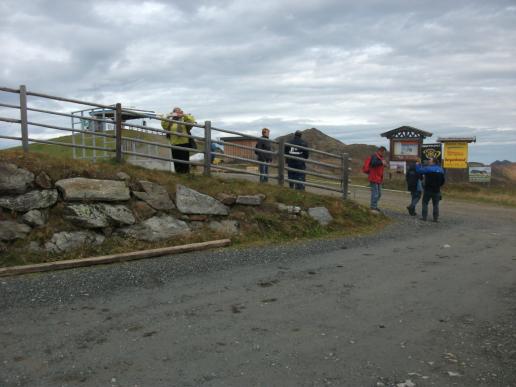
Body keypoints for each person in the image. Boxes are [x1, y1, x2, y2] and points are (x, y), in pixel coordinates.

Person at [161, 107, 196, 174]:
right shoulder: (170, 122)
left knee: (185, 162)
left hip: (184, 143)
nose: (177, 113)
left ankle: (186, 175)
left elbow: (192, 121)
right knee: (177, 162)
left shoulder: (184, 120)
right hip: (174, 144)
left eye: (179, 111)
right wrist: (169, 115)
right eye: (175, 112)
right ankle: (178, 175)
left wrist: (184, 115)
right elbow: (163, 123)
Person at [416, 158, 445, 222]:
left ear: (433, 162)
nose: (429, 162)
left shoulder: (428, 168)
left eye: (430, 161)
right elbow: (443, 181)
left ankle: (424, 217)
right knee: (436, 205)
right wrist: (438, 185)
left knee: (425, 203)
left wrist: (418, 164)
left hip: (428, 189)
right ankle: (435, 218)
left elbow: (419, 171)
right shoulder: (441, 169)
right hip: (437, 190)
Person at [367, 146, 387, 212]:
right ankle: (373, 207)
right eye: (383, 152)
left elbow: (378, 166)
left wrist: (383, 164)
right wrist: (382, 163)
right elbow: (373, 163)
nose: (384, 154)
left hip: (378, 178)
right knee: (375, 193)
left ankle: (374, 206)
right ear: (380, 151)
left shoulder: (380, 158)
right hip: (374, 178)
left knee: (379, 194)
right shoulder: (375, 156)